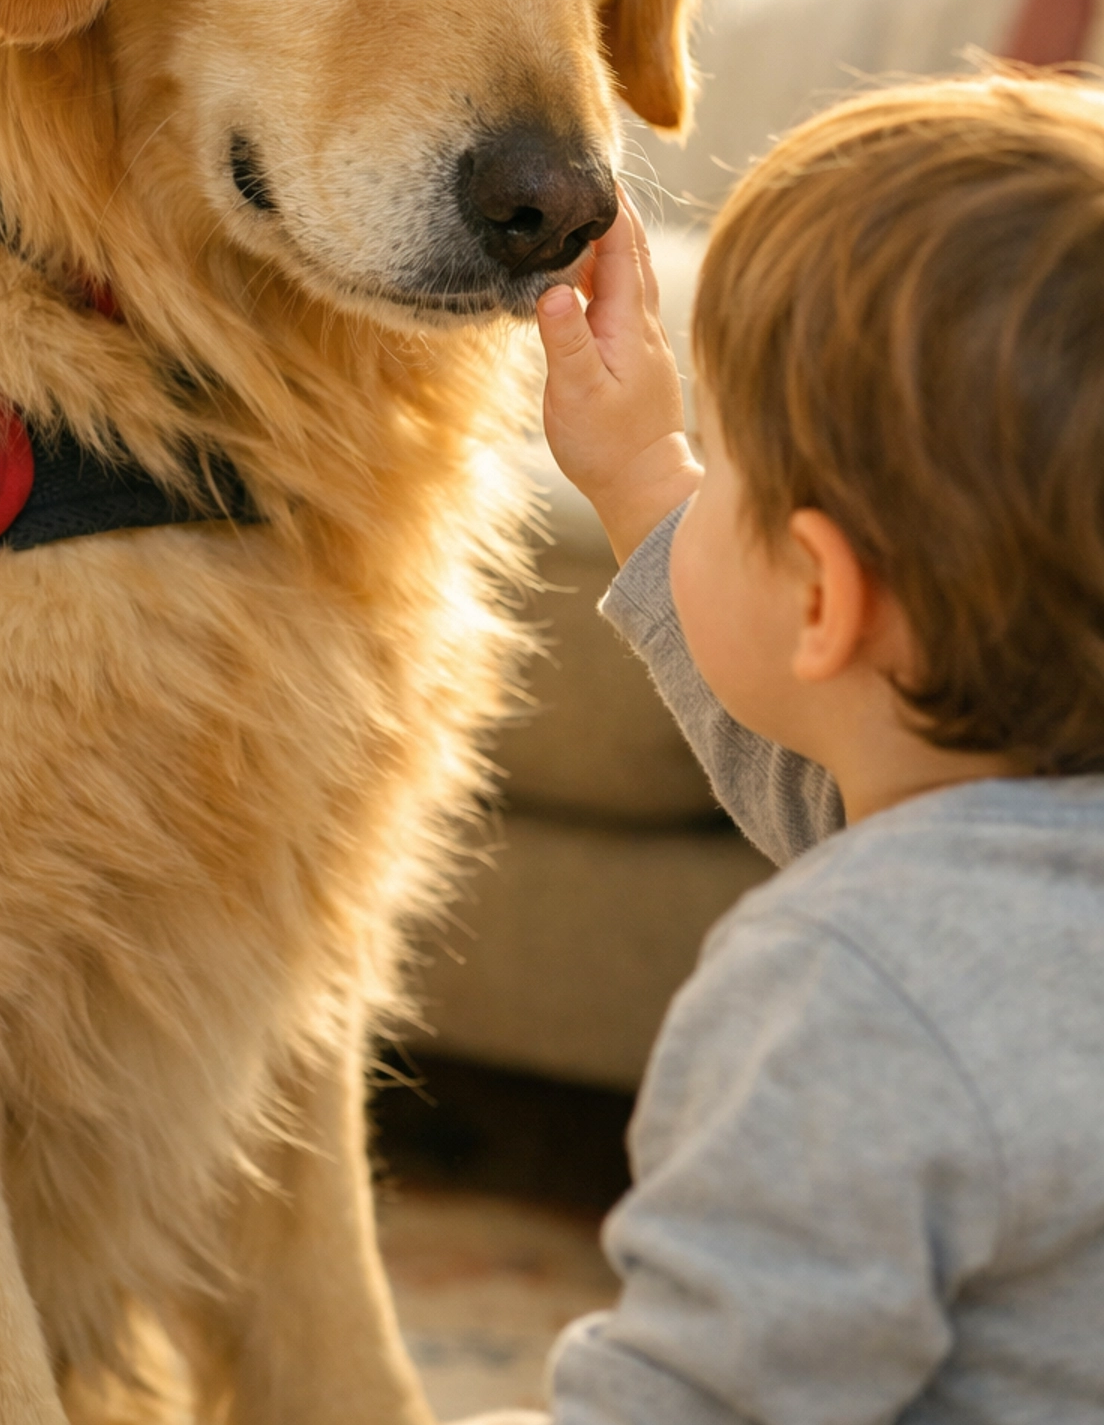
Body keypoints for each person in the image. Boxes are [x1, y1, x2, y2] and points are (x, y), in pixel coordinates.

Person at [468, 73, 1104, 1425]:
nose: (709, 480)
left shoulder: (853, 991)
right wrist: (647, 475)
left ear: (823, 597)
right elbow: (825, 766)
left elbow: (705, 1402)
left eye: (733, 465)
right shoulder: (999, 847)